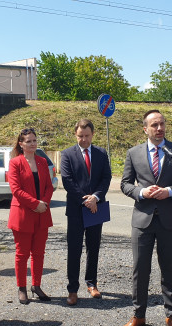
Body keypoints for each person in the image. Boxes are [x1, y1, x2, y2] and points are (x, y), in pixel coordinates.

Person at [119, 110, 172, 326]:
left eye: (162, 124)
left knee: (168, 270)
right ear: (145, 128)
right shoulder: (133, 153)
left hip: (170, 220)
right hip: (142, 219)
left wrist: (171, 191)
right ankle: (138, 315)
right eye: (154, 125)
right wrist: (141, 192)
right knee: (139, 270)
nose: (159, 128)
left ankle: (171, 317)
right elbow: (125, 184)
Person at [60, 119, 112, 305]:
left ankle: (92, 283)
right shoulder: (67, 154)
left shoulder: (101, 153)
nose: (84, 139)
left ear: (92, 134)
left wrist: (95, 198)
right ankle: (72, 289)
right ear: (76, 135)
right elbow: (67, 181)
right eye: (80, 136)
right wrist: (86, 200)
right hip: (76, 209)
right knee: (74, 249)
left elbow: (106, 177)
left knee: (93, 247)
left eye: (87, 136)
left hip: (96, 208)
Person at [7, 128, 54, 304]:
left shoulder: (42, 161)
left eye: (34, 140)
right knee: (22, 254)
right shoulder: (15, 163)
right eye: (28, 141)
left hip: (42, 214)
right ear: (21, 144)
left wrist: (44, 204)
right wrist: (35, 204)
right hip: (23, 215)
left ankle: (36, 285)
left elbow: (49, 186)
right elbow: (16, 190)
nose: (33, 144)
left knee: (39, 253)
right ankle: (22, 288)